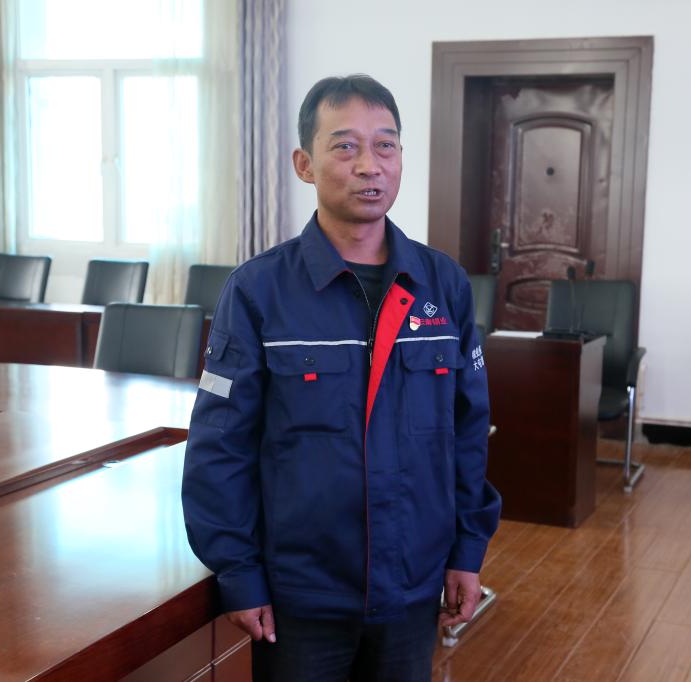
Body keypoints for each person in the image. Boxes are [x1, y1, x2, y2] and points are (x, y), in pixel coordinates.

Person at [182, 74, 501, 681]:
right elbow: (220, 447)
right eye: (345, 146)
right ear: (304, 164)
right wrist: (239, 572)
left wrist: (467, 550)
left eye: (385, 145)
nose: (369, 165)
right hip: (301, 594)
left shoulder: (443, 286)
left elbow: (468, 434)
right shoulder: (258, 291)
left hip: (412, 586)